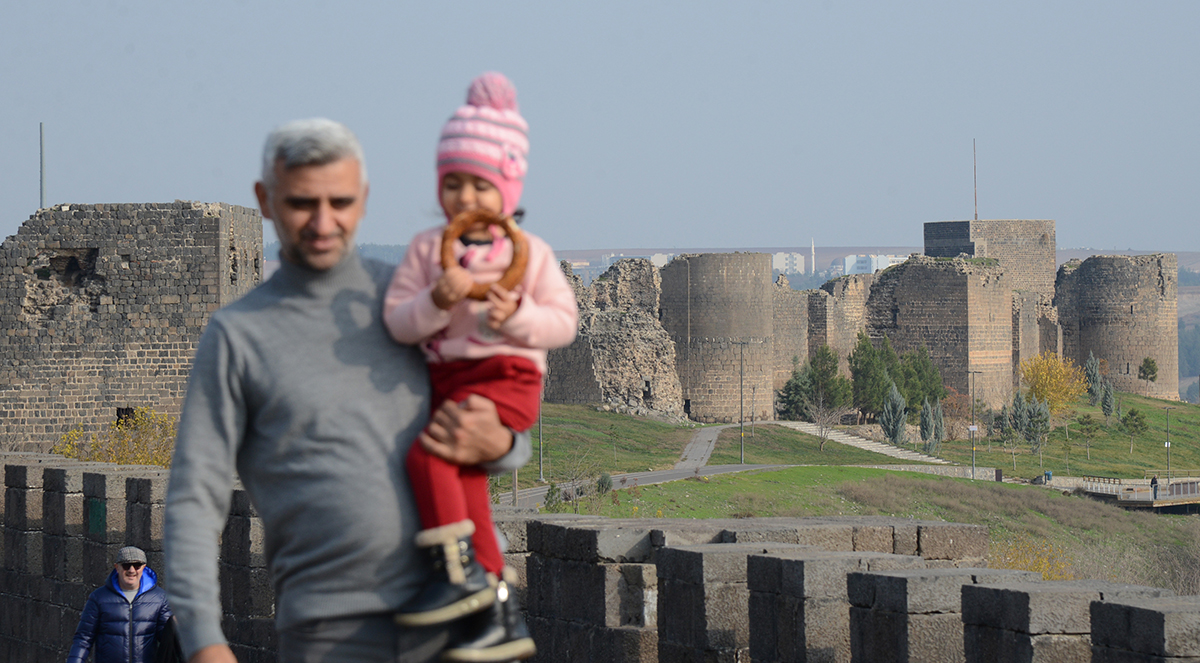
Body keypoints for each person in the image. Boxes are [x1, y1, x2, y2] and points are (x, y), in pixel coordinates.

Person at [163, 118, 531, 663]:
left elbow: (497, 408)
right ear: (265, 200)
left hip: (465, 623)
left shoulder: (419, 301)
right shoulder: (238, 337)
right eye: (301, 203)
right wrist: (202, 642)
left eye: (340, 201)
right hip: (333, 632)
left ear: (363, 201)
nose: (322, 221)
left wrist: (502, 446)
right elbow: (195, 498)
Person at [383, 72, 576, 660]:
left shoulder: (529, 253)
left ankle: (455, 572)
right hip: (451, 382)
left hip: (505, 380)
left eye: (480, 185)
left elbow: (561, 324)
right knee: (470, 497)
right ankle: (501, 617)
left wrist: (516, 314)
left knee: (427, 456)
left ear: (508, 189)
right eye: (453, 184)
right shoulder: (425, 252)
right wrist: (436, 301)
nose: (466, 198)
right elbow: (399, 321)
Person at [67, 546, 173, 663]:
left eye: (137, 565)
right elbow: (83, 639)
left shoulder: (160, 598)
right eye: (126, 565)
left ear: (143, 567)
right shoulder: (99, 598)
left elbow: (168, 638)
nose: (131, 570)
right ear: (117, 567)